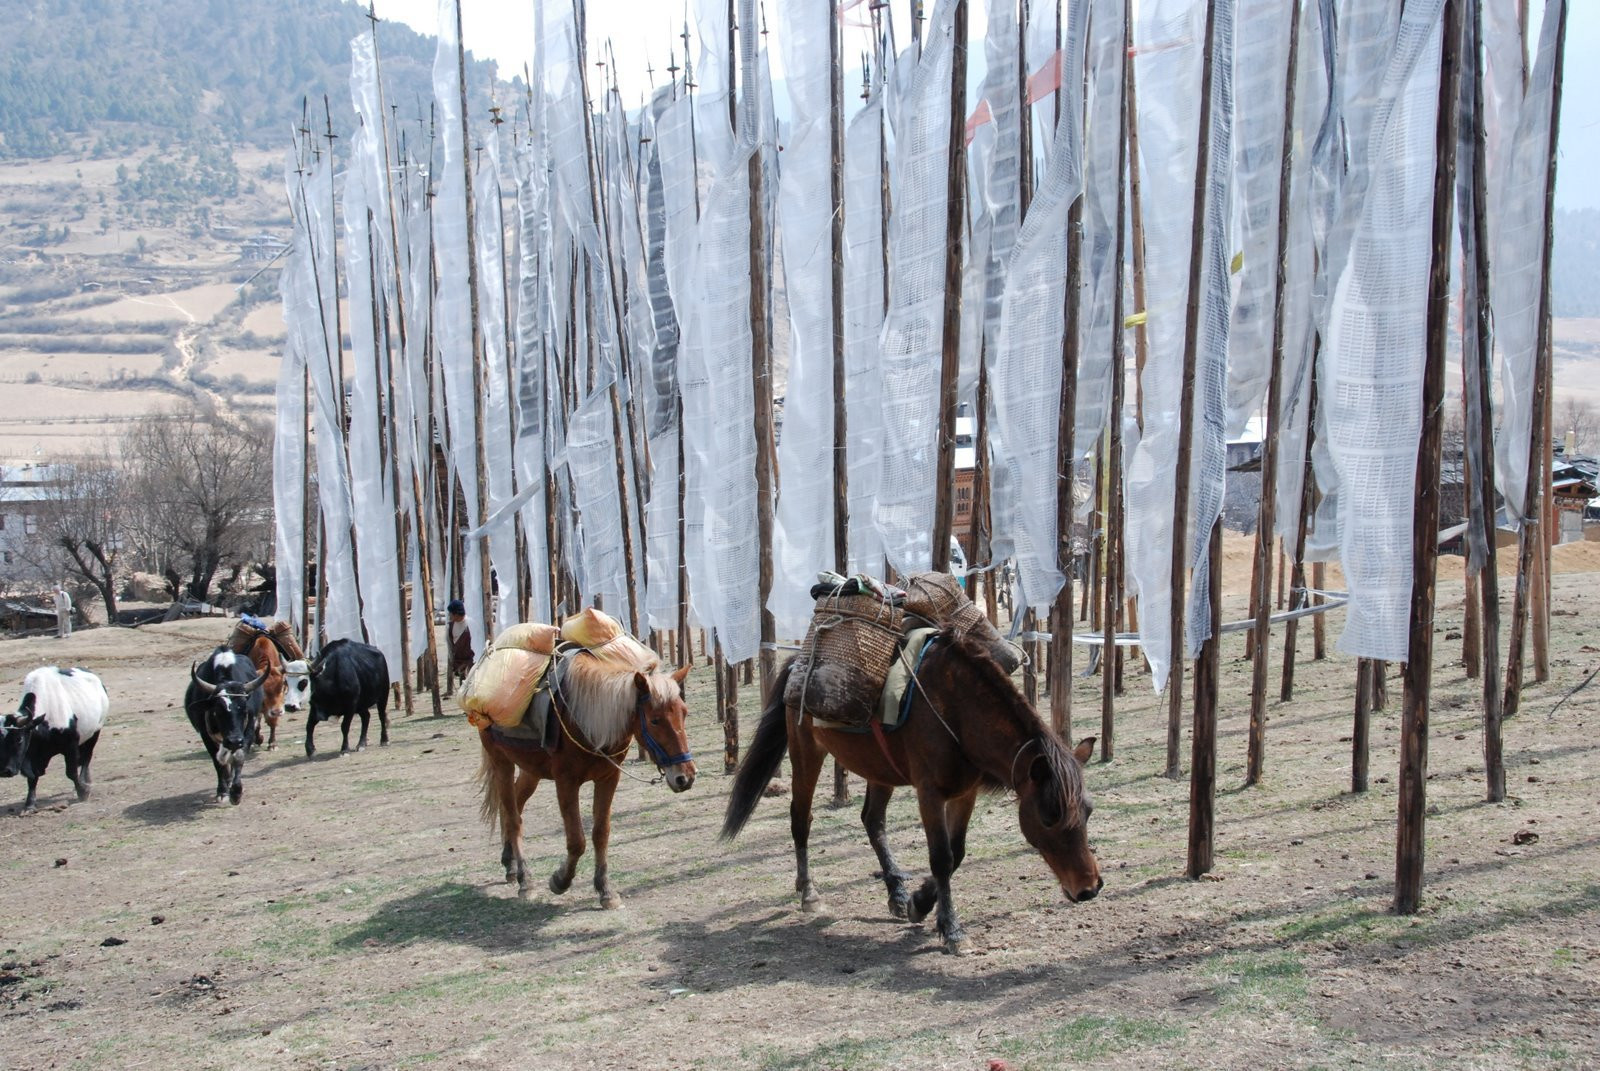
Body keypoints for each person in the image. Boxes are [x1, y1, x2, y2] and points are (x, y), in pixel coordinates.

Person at [447, 599, 474, 689]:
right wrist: (453, 663)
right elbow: (450, 646)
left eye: (451, 613)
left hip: (472, 662)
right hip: (460, 663)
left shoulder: (470, 624)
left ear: (456, 614)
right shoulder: (450, 627)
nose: (449, 615)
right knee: (463, 688)